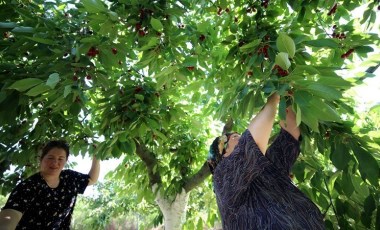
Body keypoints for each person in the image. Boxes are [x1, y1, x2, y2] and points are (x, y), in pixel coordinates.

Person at [207, 93, 325, 229]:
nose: (239, 136)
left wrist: (287, 97)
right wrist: (274, 97)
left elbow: (290, 134)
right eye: (235, 136)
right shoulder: (222, 177)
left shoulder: (266, 168)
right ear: (224, 152)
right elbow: (253, 142)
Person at [0, 140, 100, 230]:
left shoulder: (70, 178)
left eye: (61, 159)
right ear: (41, 159)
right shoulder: (28, 186)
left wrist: (96, 156)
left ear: (66, 161)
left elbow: (92, 179)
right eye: (50, 157)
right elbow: (11, 214)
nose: (55, 162)